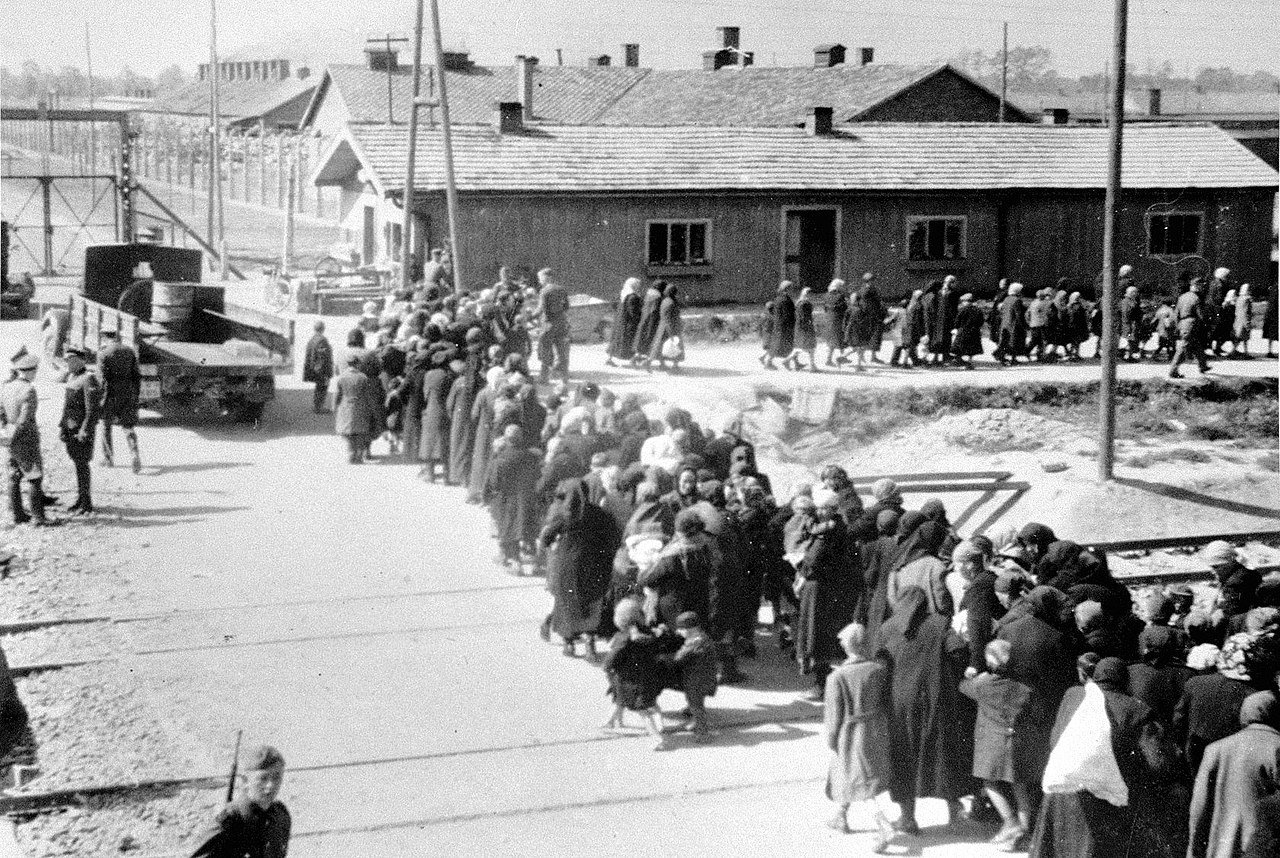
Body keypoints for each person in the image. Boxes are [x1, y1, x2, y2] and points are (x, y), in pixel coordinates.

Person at [877, 586, 970, 835]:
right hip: (935, 701)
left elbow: (880, 664)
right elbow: (959, 650)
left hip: (900, 705)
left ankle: (908, 819)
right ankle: (954, 813)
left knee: (903, 757)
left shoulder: (888, 628)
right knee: (942, 754)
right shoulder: (939, 623)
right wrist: (951, 676)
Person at [961, 639, 1041, 851]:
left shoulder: (982, 685)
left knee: (989, 782)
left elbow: (963, 687)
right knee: (1020, 787)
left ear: (990, 662)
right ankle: (1024, 832)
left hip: (992, 742)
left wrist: (973, 675)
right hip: (1018, 742)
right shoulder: (1025, 687)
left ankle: (1010, 821)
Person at [823, 621, 895, 852]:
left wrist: (831, 739)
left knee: (859, 780)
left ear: (848, 646)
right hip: (875, 728)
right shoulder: (878, 669)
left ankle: (883, 826)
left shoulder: (838, 677)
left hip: (850, 732)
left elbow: (834, 715)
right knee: (853, 774)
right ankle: (840, 816)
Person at [1188, 691, 1280, 858]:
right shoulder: (1276, 747)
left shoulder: (1215, 749)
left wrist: (1193, 849)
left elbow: (1199, 807)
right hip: (1261, 849)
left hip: (1220, 850)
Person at [540, 478, 619, 658]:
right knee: (591, 602)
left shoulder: (563, 515)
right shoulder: (600, 514)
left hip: (567, 567)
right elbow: (614, 536)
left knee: (566, 604)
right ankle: (590, 642)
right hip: (594, 566)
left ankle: (569, 644)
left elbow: (546, 538)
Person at [795, 488, 856, 698]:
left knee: (815, 635)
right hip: (832, 587)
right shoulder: (839, 527)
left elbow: (812, 561)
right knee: (824, 635)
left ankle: (820, 685)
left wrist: (801, 569)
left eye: (824, 509)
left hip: (819, 589)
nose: (820, 512)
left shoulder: (825, 533)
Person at [190, 744, 291, 858]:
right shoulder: (230, 821)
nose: (270, 785)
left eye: (277, 777)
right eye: (263, 778)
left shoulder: (280, 816)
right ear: (245, 780)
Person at [601, 598, 668, 749]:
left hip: (630, 680)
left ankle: (658, 738)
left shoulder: (623, 638)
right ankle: (612, 722)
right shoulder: (649, 632)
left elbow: (613, 657)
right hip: (649, 676)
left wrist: (606, 666)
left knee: (642, 711)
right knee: (625, 700)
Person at [1, 353, 57, 526]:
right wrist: (16, 435)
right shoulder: (29, 390)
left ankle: (18, 515)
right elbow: (24, 420)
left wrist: (6, 433)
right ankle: (38, 517)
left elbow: (1, 412)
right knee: (34, 478)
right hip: (26, 440)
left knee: (13, 476)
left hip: (11, 438)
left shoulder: (7, 387)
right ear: (32, 371)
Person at [485, 425, 542, 571]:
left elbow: (493, 483)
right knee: (526, 527)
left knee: (508, 528)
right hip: (526, 498)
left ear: (506, 439)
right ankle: (531, 557)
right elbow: (538, 476)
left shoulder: (500, 459)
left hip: (506, 500)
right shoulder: (531, 457)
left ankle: (513, 559)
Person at [660, 610, 718, 738]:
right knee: (695, 701)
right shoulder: (702, 637)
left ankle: (703, 733)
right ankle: (695, 721)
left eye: (681, 629)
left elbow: (678, 658)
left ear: (691, 629)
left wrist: (662, 658)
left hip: (696, 680)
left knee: (696, 706)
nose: (678, 632)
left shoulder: (695, 643)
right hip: (702, 677)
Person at [59, 348, 100, 515]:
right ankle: (80, 499)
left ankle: (86, 503)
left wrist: (85, 430)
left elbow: (92, 410)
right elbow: (67, 407)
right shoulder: (72, 377)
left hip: (81, 431)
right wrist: (62, 426)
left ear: (81, 360)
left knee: (83, 465)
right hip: (70, 429)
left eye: (71, 359)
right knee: (78, 464)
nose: (67, 362)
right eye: (67, 359)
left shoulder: (88, 379)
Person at [96, 328, 143, 473]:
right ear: (116, 336)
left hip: (111, 394)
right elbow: (136, 376)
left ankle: (108, 458)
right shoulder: (129, 351)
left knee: (106, 426)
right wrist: (135, 395)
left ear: (104, 338)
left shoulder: (103, 354)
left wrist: (99, 399)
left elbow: (101, 379)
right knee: (128, 426)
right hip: (128, 392)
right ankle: (134, 453)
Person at [333, 355, 376, 464]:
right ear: (357, 364)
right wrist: (371, 407)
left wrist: (334, 406)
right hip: (360, 406)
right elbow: (368, 394)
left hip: (345, 406)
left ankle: (351, 453)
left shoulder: (341, 377)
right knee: (360, 432)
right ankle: (359, 455)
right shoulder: (363, 377)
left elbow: (337, 394)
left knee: (348, 432)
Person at [534, 267, 570, 383]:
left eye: (540, 278)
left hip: (548, 325)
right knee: (562, 352)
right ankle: (564, 378)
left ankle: (544, 378)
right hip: (561, 324)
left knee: (546, 352)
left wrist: (529, 317)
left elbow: (541, 310)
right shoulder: (562, 290)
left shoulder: (544, 291)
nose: (539, 281)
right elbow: (566, 307)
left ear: (546, 277)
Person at [1170, 279, 1211, 378]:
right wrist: (1207, 324)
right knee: (1183, 347)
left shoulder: (1182, 297)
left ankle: (1203, 365)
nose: (1202, 288)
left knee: (1196, 345)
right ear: (1196, 286)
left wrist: (1177, 325)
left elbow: (1176, 313)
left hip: (1182, 323)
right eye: (1201, 286)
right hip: (1192, 324)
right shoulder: (1196, 298)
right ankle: (1173, 370)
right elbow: (1201, 315)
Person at [644, 282, 683, 373]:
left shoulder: (665, 300)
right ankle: (674, 365)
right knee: (675, 346)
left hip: (662, 327)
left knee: (659, 346)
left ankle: (652, 362)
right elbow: (669, 317)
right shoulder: (671, 302)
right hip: (670, 327)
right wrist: (672, 332)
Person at [606, 277, 642, 367]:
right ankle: (632, 360)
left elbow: (613, 304)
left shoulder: (622, 293)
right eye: (637, 285)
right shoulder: (633, 297)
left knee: (616, 340)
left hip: (619, 320)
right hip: (628, 322)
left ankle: (609, 359)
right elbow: (633, 312)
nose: (639, 287)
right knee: (630, 341)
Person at [302, 320, 334, 413]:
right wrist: (322, 371)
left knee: (319, 387)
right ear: (323, 329)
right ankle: (319, 407)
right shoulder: (322, 340)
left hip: (314, 368)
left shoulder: (312, 339)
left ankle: (317, 406)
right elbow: (321, 356)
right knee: (322, 387)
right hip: (321, 369)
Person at [632, 280, 665, 362]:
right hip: (653, 322)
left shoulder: (647, 295)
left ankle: (636, 357)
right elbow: (657, 310)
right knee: (655, 341)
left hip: (644, 320)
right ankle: (659, 363)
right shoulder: (659, 298)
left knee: (642, 338)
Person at [768, 282, 796, 370]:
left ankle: (792, 362)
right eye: (791, 288)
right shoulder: (786, 300)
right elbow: (787, 314)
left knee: (783, 344)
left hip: (779, 325)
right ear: (787, 289)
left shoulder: (778, 298)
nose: (793, 290)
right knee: (779, 345)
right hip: (785, 326)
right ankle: (768, 362)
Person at [952, 293, 984, 370]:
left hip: (963, 331)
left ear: (966, 301)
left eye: (963, 301)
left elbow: (957, 320)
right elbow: (981, 321)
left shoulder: (963, 309)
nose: (962, 303)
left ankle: (958, 359)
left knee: (959, 346)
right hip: (974, 331)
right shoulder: (978, 310)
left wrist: (956, 327)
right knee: (972, 349)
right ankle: (970, 362)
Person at [792, 286, 818, 371]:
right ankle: (812, 366)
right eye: (809, 294)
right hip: (806, 327)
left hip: (799, 327)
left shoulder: (799, 302)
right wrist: (810, 325)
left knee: (801, 347)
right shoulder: (806, 304)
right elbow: (805, 317)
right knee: (810, 347)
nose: (811, 296)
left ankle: (793, 362)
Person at [823, 279, 848, 367]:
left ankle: (831, 358)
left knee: (832, 340)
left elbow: (825, 308)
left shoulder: (826, 295)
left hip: (829, 320)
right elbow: (845, 308)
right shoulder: (840, 296)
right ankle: (836, 358)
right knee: (841, 339)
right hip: (838, 320)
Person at [1119, 285, 1144, 361]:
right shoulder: (1127, 301)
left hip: (1131, 324)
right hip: (1130, 324)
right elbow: (1126, 313)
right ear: (1132, 293)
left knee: (1132, 340)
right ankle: (1128, 355)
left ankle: (1128, 354)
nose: (1137, 294)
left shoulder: (1130, 301)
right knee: (1131, 340)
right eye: (1136, 292)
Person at [1232, 284, 1253, 357]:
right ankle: (1234, 352)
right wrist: (1247, 322)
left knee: (1239, 337)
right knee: (1244, 338)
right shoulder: (1247, 299)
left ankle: (1244, 352)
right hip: (1244, 320)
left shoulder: (1239, 298)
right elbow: (1246, 311)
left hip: (1238, 320)